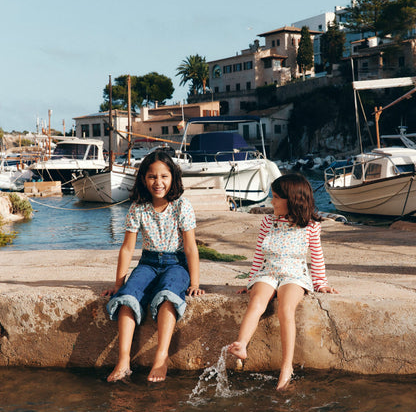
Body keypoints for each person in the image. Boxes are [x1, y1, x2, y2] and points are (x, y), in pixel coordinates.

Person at [228, 173, 338, 391]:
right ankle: (241, 344)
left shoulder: (310, 226)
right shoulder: (268, 222)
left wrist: (321, 282)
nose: (272, 201)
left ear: (293, 200)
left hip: (294, 275)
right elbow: (259, 254)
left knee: (286, 309)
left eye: (276, 197)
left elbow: (317, 256)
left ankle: (286, 367)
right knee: (257, 301)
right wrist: (251, 281)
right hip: (267, 272)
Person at [103, 150, 204, 383]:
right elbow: (128, 248)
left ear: (173, 178)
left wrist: (195, 282)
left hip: (176, 264)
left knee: (167, 295)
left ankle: (161, 358)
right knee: (127, 298)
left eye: (164, 177)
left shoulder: (182, 205)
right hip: (147, 263)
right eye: (152, 177)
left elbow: (190, 248)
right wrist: (119, 284)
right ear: (143, 179)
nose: (158, 182)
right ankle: (124, 360)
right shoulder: (138, 207)